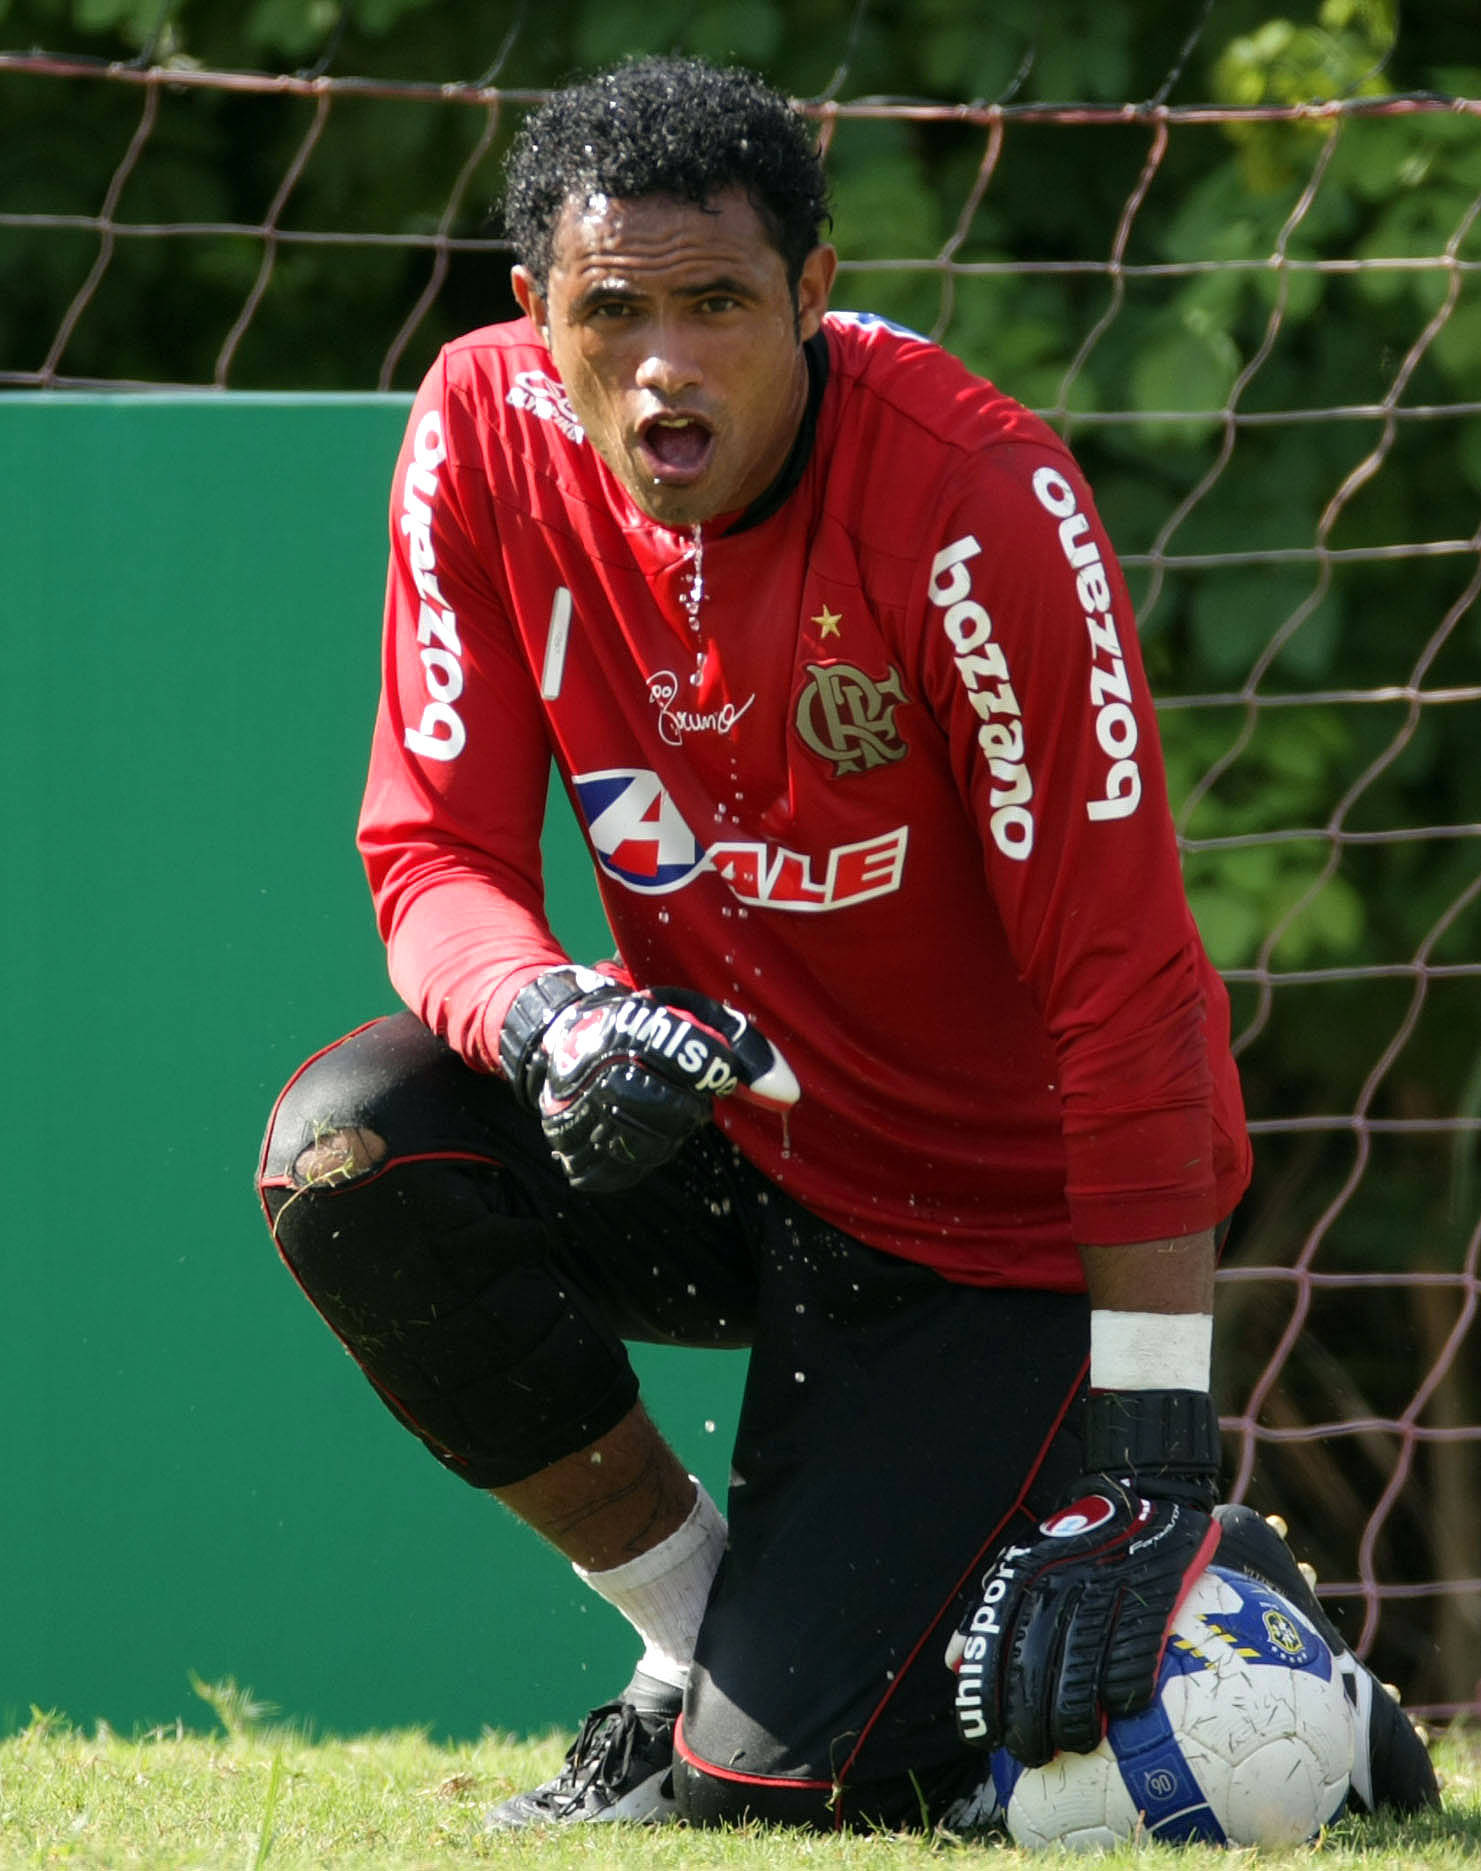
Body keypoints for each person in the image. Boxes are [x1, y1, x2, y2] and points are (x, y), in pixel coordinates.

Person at [256, 54, 1437, 1833]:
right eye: (614, 311)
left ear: (813, 294)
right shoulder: (477, 430)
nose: (665, 362)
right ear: (534, 315)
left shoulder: (977, 502)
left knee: (790, 1792)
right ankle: (680, 1649)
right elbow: (430, 855)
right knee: (349, 1146)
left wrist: (1148, 1456)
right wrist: (557, 1019)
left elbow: (1127, 994)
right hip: (733, 1143)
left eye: (719, 302)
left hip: (993, 1241)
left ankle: (1260, 1656)